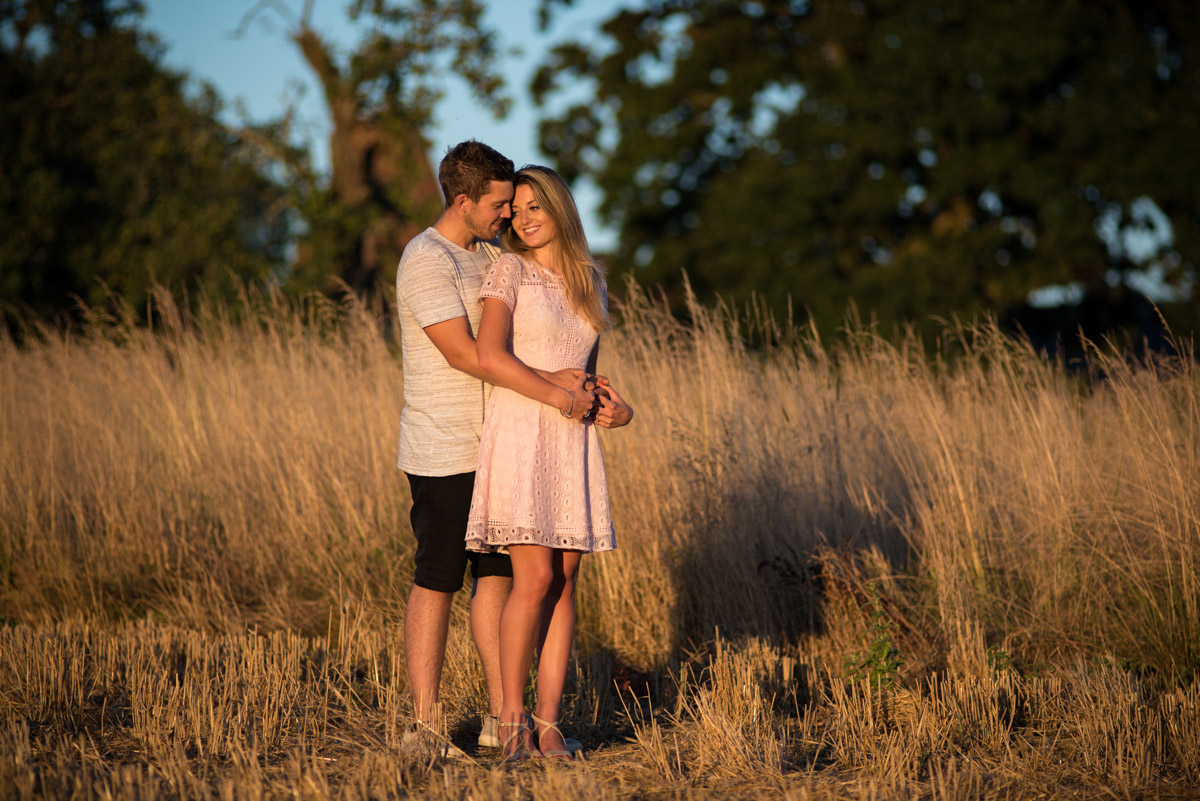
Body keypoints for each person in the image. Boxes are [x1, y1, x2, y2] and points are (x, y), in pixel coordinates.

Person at [394, 141, 593, 756]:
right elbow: (466, 354)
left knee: (499, 578)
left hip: (502, 445)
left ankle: (498, 717)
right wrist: (556, 387)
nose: (508, 215)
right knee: (438, 578)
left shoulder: (489, 255)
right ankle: (425, 728)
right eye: (499, 204)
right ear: (463, 201)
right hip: (446, 445)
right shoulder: (426, 259)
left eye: (514, 204)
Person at [465, 165, 634, 761]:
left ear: (560, 207)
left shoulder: (592, 281)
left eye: (535, 206)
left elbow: (590, 374)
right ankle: (511, 720)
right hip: (522, 428)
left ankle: (549, 724)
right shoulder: (509, 271)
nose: (524, 218)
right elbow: (490, 355)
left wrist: (619, 411)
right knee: (534, 578)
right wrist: (559, 390)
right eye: (516, 210)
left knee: (564, 583)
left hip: (573, 441)